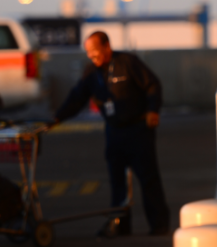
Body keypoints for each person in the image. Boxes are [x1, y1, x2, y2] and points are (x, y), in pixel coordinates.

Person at [53, 31, 170, 237]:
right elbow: (77, 98)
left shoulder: (128, 62)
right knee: (117, 182)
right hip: (114, 132)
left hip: (138, 130)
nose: (91, 55)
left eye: (95, 50)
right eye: (88, 52)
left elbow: (153, 85)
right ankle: (121, 226)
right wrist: (58, 117)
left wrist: (153, 109)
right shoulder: (91, 73)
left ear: (107, 47)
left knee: (148, 179)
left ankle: (159, 225)